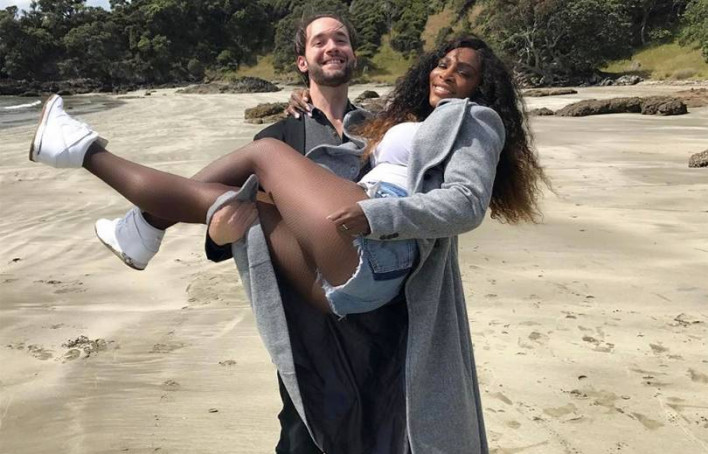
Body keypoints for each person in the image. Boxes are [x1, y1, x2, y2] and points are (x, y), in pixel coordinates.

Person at [29, 30, 546, 453]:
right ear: (303, 63)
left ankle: (123, 202)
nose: (446, 73)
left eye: (341, 39)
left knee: (380, 427)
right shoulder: (291, 128)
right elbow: (223, 223)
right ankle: (127, 209)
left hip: (378, 295)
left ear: (354, 55)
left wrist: (376, 214)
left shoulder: (404, 122)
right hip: (326, 305)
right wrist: (221, 232)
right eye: (320, 42)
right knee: (305, 429)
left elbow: (460, 202)